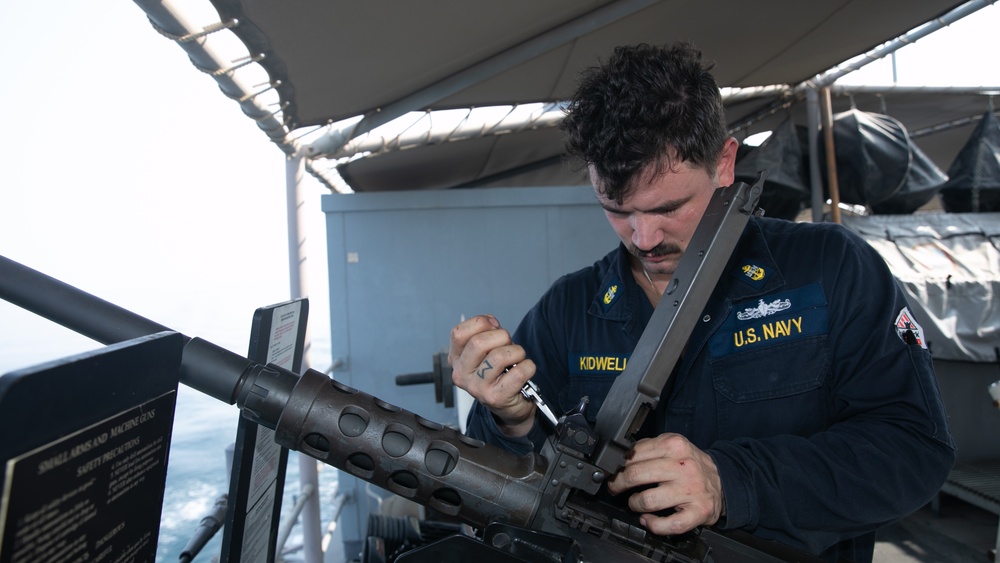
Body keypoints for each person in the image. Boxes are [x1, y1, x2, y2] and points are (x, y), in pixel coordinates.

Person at [447, 42, 955, 562]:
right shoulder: (569, 310)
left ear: (725, 163)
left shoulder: (828, 271)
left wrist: (730, 482)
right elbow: (499, 490)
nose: (643, 238)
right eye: (616, 209)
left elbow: (914, 450)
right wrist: (511, 422)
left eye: (668, 207)